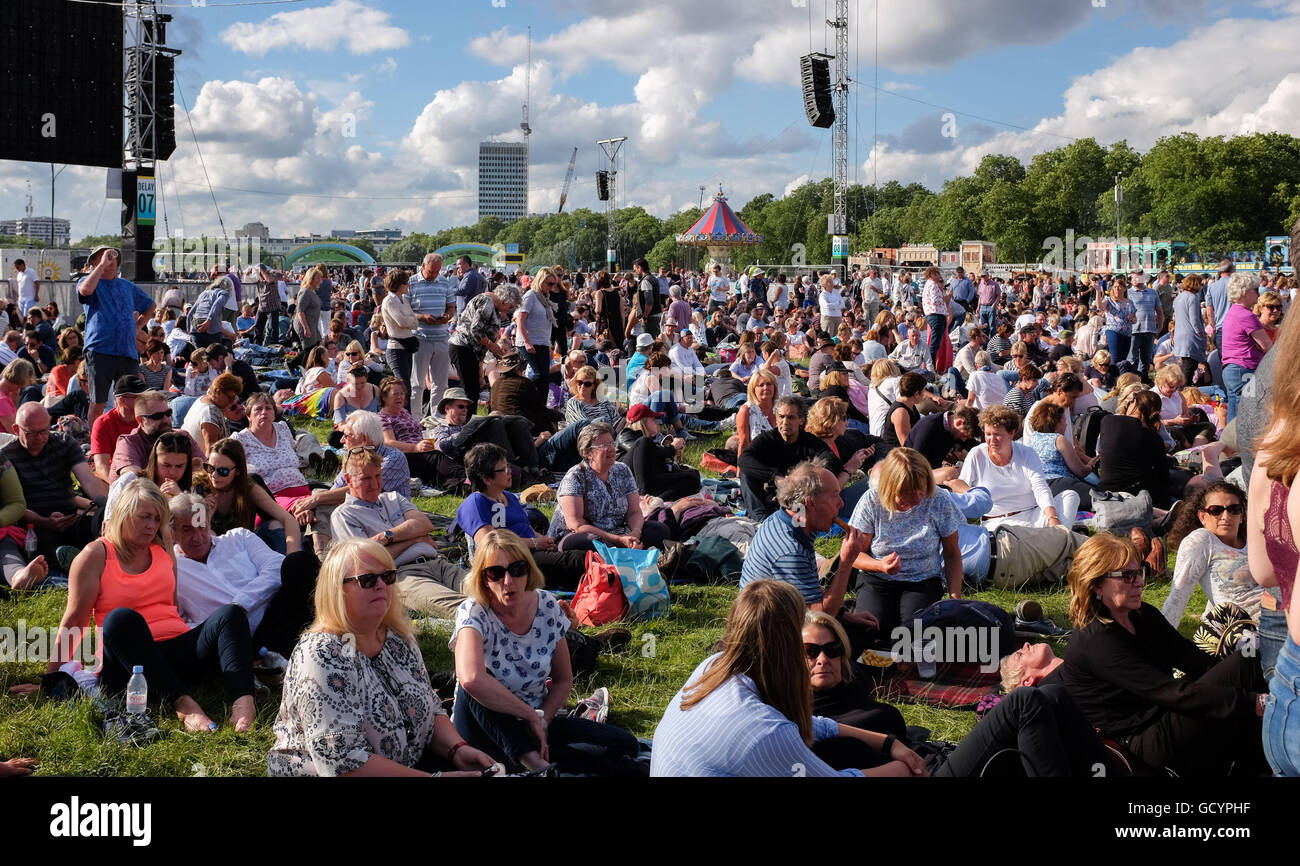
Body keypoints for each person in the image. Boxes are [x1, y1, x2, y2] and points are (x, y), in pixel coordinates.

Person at [268, 538, 496, 777]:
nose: (381, 585)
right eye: (367, 580)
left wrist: (457, 749)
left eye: (387, 577)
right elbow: (340, 762)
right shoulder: (321, 654)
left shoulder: (398, 637)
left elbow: (429, 707)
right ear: (336, 590)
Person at [652, 580, 925, 777]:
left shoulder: (712, 667)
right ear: (789, 645)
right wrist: (908, 768)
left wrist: (889, 743)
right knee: (855, 754)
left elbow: (812, 724)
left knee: (850, 748)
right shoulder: (763, 732)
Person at [49, 479, 256, 732]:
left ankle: (244, 701)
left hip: (175, 651)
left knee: (231, 613)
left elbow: (172, 604)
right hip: (127, 666)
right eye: (144, 517)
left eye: (157, 520)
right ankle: (184, 704)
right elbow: (75, 621)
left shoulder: (161, 547)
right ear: (124, 513)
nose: (151, 526)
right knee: (120, 619)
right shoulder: (95, 555)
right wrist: (52, 676)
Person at [1061, 532, 1267, 777]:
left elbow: (1195, 661)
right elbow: (1171, 693)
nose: (1139, 582)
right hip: (1140, 745)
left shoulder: (1142, 614)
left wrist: (1240, 687)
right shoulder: (1095, 641)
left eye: (1139, 572)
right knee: (1245, 671)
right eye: (1127, 576)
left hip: (1165, 714)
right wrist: (1252, 701)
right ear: (1095, 584)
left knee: (1248, 657)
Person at [449, 529, 640, 775]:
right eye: (495, 573)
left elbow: (563, 679)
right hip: (484, 728)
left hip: (533, 724)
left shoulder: (547, 605)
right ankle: (535, 765)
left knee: (626, 745)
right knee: (477, 681)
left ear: (528, 569)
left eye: (516, 570)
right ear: (483, 579)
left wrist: (542, 720)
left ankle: (536, 762)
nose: (508, 581)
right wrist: (529, 714)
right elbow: (471, 679)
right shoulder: (473, 611)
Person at [169, 492, 320, 659]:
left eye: (201, 526)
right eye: (187, 530)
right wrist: (222, 623)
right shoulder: (174, 569)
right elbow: (179, 621)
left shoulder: (238, 538)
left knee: (298, 563)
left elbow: (276, 567)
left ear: (209, 522)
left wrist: (239, 605)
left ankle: (323, 631)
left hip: (275, 612)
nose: (197, 537)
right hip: (237, 640)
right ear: (173, 533)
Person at [842, 447, 963, 642]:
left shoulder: (939, 500)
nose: (914, 500)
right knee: (872, 630)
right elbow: (854, 554)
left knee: (912, 635)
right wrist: (879, 565)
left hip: (922, 580)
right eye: (904, 497)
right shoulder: (872, 501)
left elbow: (952, 553)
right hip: (877, 578)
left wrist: (955, 596)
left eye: (920, 493)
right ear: (890, 488)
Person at [330, 446, 467, 617]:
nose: (375, 485)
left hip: (438, 563)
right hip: (402, 576)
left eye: (378, 476)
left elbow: (424, 524)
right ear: (348, 479)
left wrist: (384, 539)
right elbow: (368, 563)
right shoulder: (344, 515)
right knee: (464, 609)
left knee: (491, 592)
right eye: (366, 479)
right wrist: (414, 540)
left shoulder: (392, 498)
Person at [456, 443, 586, 589]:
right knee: (579, 560)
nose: (509, 471)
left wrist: (543, 539)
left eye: (508, 465)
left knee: (582, 542)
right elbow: (491, 544)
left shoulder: (509, 497)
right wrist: (534, 543)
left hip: (532, 551)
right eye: (504, 468)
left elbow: (526, 528)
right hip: (512, 563)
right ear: (487, 478)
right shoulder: (476, 503)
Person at [4, 402, 108, 566]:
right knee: (44, 551)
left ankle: (91, 558)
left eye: (44, 431)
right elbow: (12, 505)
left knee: (101, 523)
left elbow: (88, 480)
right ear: (16, 430)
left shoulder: (64, 442)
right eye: (31, 433)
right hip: (34, 525)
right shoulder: (7, 456)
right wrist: (42, 520)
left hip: (71, 518)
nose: (39, 438)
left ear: (50, 422)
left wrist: (108, 506)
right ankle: (81, 563)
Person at [546, 422, 670, 552]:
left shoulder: (622, 470)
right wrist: (617, 540)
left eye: (612, 443)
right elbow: (576, 525)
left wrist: (635, 533)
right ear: (587, 452)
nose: (611, 449)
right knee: (586, 543)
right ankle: (624, 554)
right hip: (584, 534)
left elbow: (634, 511)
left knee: (659, 530)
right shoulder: (575, 476)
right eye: (604, 445)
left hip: (620, 531)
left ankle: (626, 552)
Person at [959, 404, 1075, 529]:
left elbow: (1040, 488)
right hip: (998, 521)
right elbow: (962, 490)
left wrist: (1052, 518)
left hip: (1033, 515)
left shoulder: (1027, 453)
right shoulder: (976, 455)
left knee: (1070, 496)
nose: (992, 440)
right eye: (988, 434)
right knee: (1020, 529)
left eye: (997, 434)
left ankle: (1056, 535)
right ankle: (1054, 539)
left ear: (1012, 433)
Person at [76, 246, 156, 425]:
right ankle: (94, 443)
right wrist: (101, 265)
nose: (111, 259)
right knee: (98, 401)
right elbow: (85, 291)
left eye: (113, 256)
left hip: (127, 351)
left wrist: (138, 326)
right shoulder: (87, 280)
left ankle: (130, 437)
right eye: (104, 256)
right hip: (100, 349)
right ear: (94, 261)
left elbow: (151, 305)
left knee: (132, 399)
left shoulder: (127, 286)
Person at [1162, 481, 1258, 626]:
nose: (1226, 516)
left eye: (1234, 509)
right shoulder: (1202, 540)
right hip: (1249, 631)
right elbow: (1178, 595)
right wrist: (1158, 642)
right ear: (1202, 516)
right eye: (1216, 510)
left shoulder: (1254, 541)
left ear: (1242, 515)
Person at [196, 437, 302, 554]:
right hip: (213, 553)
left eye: (223, 471)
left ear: (238, 471)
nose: (214, 475)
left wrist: (292, 555)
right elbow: (196, 535)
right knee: (210, 534)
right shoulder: (199, 487)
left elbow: (287, 519)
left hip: (244, 549)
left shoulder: (248, 486)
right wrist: (207, 516)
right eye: (210, 468)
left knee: (275, 525)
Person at [1096, 388, 1175, 508]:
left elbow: (1101, 450)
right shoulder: (1153, 437)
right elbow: (1165, 477)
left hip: (1106, 492)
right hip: (1138, 495)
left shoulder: (1107, 420)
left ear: (1134, 403)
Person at [232, 392, 311, 511]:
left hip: (302, 488)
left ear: (274, 414)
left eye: (268, 408)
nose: (264, 412)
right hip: (270, 498)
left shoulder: (282, 428)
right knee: (305, 509)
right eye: (258, 409)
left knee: (322, 506)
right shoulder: (240, 440)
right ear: (248, 416)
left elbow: (293, 452)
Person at [450, 282, 521, 407]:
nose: (510, 310)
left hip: (470, 350)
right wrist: (493, 347)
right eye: (510, 306)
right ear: (505, 300)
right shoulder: (487, 302)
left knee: (473, 390)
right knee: (469, 391)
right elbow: (476, 330)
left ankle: (467, 421)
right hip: (463, 347)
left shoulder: (492, 304)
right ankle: (464, 423)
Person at [616, 403, 700, 500]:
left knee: (692, 479)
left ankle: (657, 501)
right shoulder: (626, 434)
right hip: (630, 481)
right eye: (653, 419)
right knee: (644, 441)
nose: (657, 422)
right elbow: (642, 452)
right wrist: (671, 448)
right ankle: (643, 496)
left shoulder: (652, 442)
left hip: (651, 480)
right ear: (642, 421)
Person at [1220, 273, 1272, 422]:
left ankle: (1229, 444)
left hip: (1232, 369)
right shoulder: (1247, 316)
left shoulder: (1232, 312)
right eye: (1255, 289)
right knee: (1246, 419)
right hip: (1245, 368)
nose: (1258, 293)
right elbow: (1268, 346)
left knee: (1234, 416)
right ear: (1244, 292)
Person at [408, 253, 454, 418]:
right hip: (420, 338)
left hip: (441, 337)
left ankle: (437, 419)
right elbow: (405, 311)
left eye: (437, 271)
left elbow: (451, 307)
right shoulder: (411, 282)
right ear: (423, 266)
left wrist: (447, 316)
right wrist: (422, 317)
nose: (434, 275)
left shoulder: (444, 282)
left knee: (441, 384)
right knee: (417, 384)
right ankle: (415, 419)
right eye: (431, 271)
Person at [89, 373, 148, 481]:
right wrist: (120, 487)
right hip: (115, 478)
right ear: (122, 400)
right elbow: (101, 466)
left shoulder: (148, 418)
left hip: (142, 477)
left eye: (145, 396)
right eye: (138, 397)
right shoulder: (103, 423)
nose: (144, 400)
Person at [380, 269, 419, 409]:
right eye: (406, 283)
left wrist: (409, 320)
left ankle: (406, 419)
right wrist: (410, 320)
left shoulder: (404, 300)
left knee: (408, 386)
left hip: (407, 347)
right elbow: (402, 321)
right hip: (396, 348)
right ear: (399, 284)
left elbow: (414, 321)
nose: (408, 285)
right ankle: (402, 419)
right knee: (403, 387)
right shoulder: (389, 301)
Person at [183, 371, 243, 456]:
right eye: (231, 398)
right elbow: (211, 451)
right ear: (218, 392)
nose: (232, 402)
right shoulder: (210, 414)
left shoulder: (203, 399)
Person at [515, 267, 559, 382]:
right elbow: (520, 319)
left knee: (544, 375)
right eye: (550, 284)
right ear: (541, 281)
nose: (552, 287)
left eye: (554, 284)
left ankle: (541, 400)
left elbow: (545, 325)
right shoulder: (531, 296)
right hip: (531, 342)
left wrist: (549, 345)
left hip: (542, 342)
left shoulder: (545, 298)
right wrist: (527, 342)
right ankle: (531, 398)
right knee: (539, 375)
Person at [904, 404, 977, 472]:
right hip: (912, 470)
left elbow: (973, 446)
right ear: (959, 423)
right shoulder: (929, 428)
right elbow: (916, 463)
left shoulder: (956, 430)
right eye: (964, 436)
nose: (964, 440)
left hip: (931, 469)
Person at [880, 371, 926, 452]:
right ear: (916, 394)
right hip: (895, 456)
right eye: (923, 392)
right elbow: (907, 446)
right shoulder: (901, 413)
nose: (924, 395)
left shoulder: (909, 405)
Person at [330, 363, 379, 428]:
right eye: (355, 384)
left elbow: (383, 415)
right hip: (350, 430)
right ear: (348, 381)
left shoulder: (375, 390)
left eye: (362, 383)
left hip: (374, 428)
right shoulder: (340, 396)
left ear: (366, 379)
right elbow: (340, 424)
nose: (359, 387)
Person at [293, 266, 324, 354]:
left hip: (312, 324)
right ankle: (294, 364)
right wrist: (306, 328)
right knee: (309, 350)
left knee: (316, 346)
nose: (320, 281)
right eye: (318, 278)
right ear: (311, 278)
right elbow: (300, 311)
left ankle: (294, 364)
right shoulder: (305, 292)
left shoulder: (312, 291)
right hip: (305, 324)